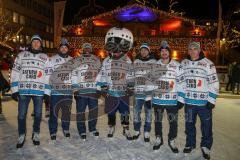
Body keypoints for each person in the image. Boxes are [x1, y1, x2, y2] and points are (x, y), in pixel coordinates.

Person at [10, 34, 50, 148]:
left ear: (41, 44)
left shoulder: (45, 57)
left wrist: (47, 92)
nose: (36, 43)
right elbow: (15, 72)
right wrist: (14, 90)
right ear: (31, 43)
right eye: (34, 41)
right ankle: (21, 135)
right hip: (24, 91)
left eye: (38, 42)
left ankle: (36, 133)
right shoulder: (22, 55)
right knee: (21, 116)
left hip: (39, 91)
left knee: (38, 115)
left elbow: (48, 75)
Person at [182, 42, 219, 160]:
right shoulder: (184, 63)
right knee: (189, 125)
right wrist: (180, 98)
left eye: (195, 49)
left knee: (206, 126)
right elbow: (180, 81)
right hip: (189, 103)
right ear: (188, 51)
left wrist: (211, 100)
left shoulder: (208, 64)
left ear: (199, 50)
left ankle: (206, 146)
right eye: (190, 49)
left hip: (204, 104)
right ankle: (190, 144)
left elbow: (214, 82)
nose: (193, 51)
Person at [96, 27, 134, 140]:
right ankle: (111, 127)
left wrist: (131, 87)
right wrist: (102, 87)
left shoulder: (127, 60)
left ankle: (125, 129)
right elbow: (102, 74)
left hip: (123, 93)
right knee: (111, 113)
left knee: (125, 113)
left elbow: (131, 74)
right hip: (111, 93)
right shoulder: (106, 60)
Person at [150, 41, 184, 152]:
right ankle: (159, 138)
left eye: (166, 51)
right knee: (158, 121)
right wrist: (148, 98)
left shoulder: (177, 66)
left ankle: (171, 139)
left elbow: (181, 83)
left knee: (173, 122)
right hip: (158, 100)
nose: (164, 53)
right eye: (162, 51)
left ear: (169, 52)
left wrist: (181, 99)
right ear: (160, 53)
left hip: (172, 101)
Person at [72, 43, 101, 140]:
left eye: (89, 48)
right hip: (81, 91)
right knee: (81, 112)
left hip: (93, 90)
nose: (87, 49)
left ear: (91, 49)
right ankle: (82, 130)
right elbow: (74, 75)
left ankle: (92, 128)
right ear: (83, 49)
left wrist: (98, 89)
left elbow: (99, 75)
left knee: (93, 111)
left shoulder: (96, 59)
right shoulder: (77, 60)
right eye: (85, 48)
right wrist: (75, 90)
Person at [45, 38, 73, 140]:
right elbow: (48, 76)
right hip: (55, 92)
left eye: (66, 47)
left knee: (66, 112)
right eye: (62, 47)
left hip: (68, 92)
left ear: (68, 49)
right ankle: (53, 131)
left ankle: (66, 129)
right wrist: (47, 92)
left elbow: (75, 76)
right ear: (59, 48)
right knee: (54, 113)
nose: (64, 49)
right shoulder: (52, 59)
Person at [132, 43, 156, 142]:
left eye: (145, 50)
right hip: (138, 92)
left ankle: (147, 131)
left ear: (149, 51)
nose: (143, 51)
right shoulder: (136, 61)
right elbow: (132, 74)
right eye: (142, 50)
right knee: (136, 112)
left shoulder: (154, 61)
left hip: (149, 93)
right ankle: (137, 130)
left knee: (148, 112)